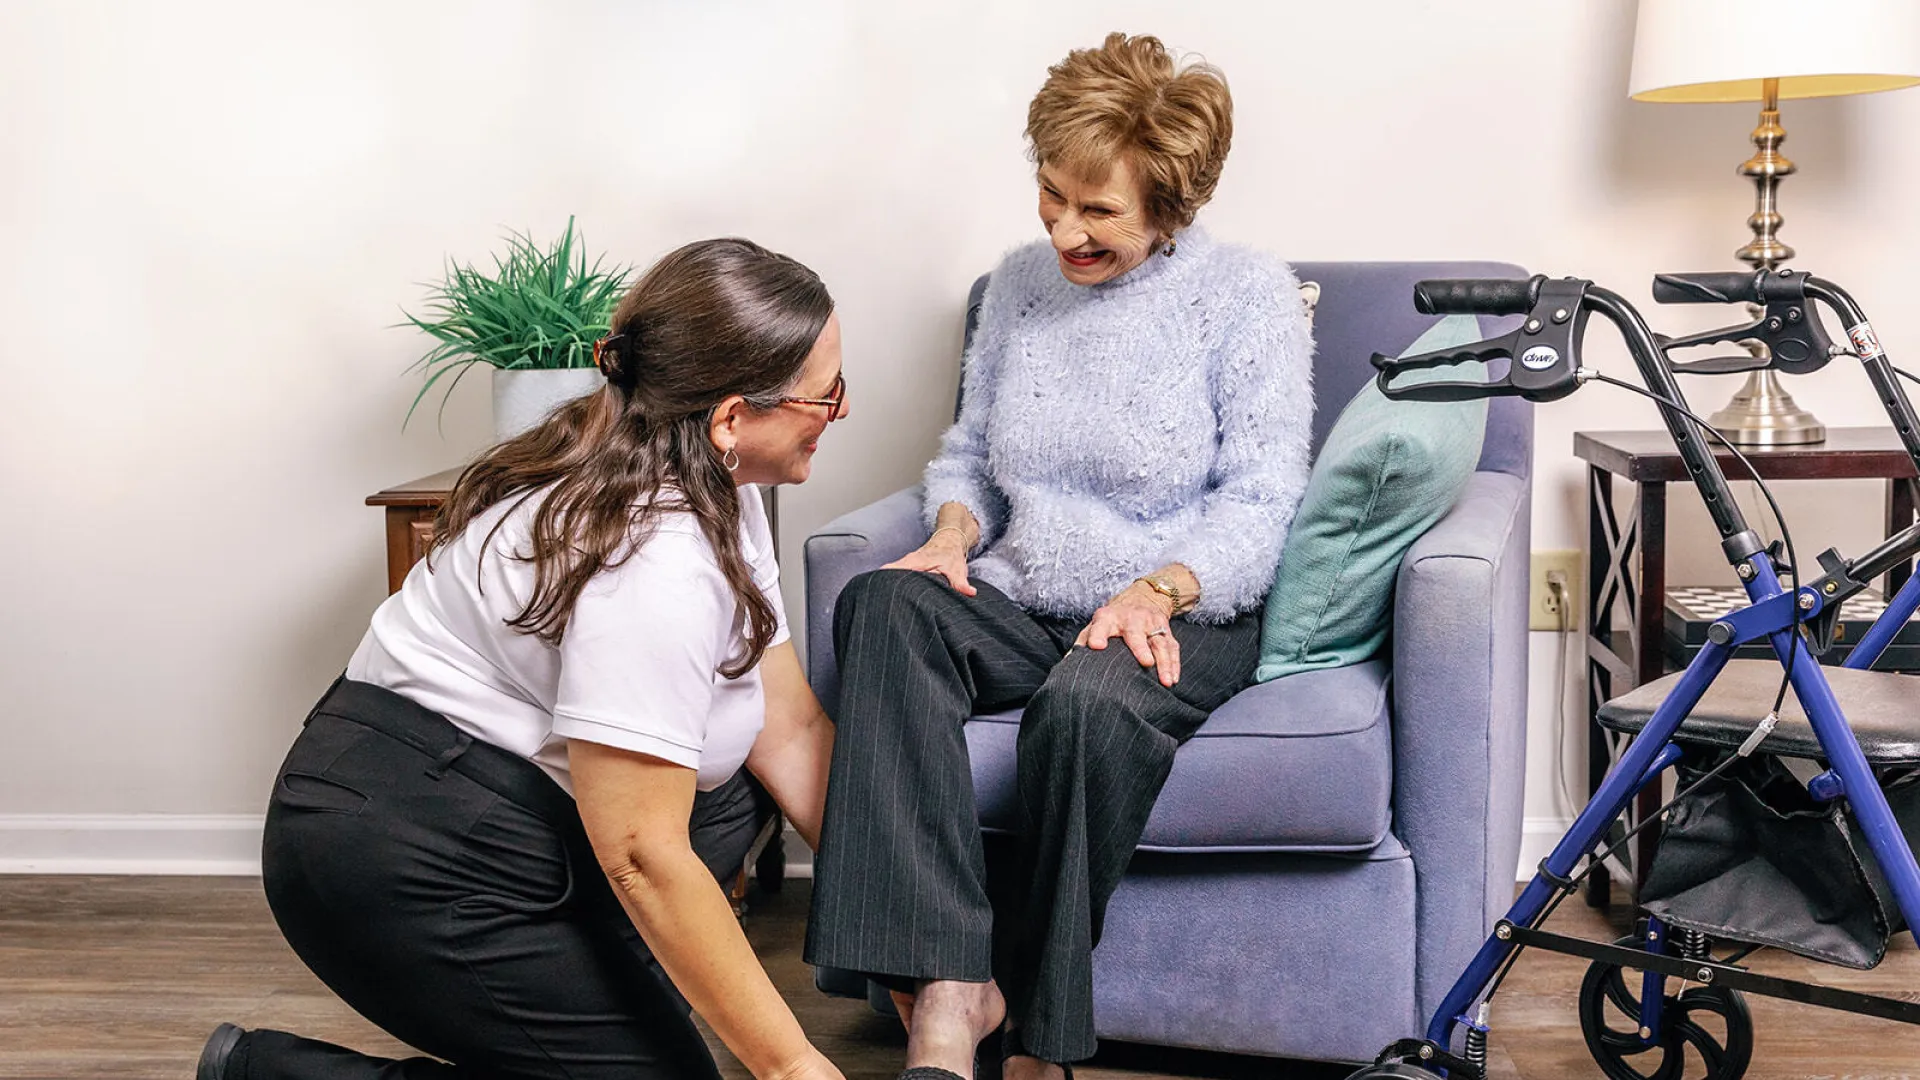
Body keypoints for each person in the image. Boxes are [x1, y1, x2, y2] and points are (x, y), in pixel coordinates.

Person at [199, 237, 852, 1080]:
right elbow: (642, 854)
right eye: (825, 396)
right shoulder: (652, 560)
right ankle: (273, 1074)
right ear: (730, 417)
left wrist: (906, 938)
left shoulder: (716, 480)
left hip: (508, 810)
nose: (839, 411)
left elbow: (790, 728)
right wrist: (794, 1064)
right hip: (394, 846)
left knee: (724, 801)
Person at [803, 32, 1315, 1080]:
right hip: (1027, 592)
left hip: (1183, 608)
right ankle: (950, 988)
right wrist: (950, 534)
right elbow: (972, 459)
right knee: (881, 608)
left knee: (1086, 706)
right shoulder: (1016, 288)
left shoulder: (1249, 298)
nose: (1066, 231)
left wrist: (1157, 587)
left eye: (1100, 211)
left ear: (1172, 206)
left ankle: (1042, 1033)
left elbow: (1262, 501)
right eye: (1052, 195)